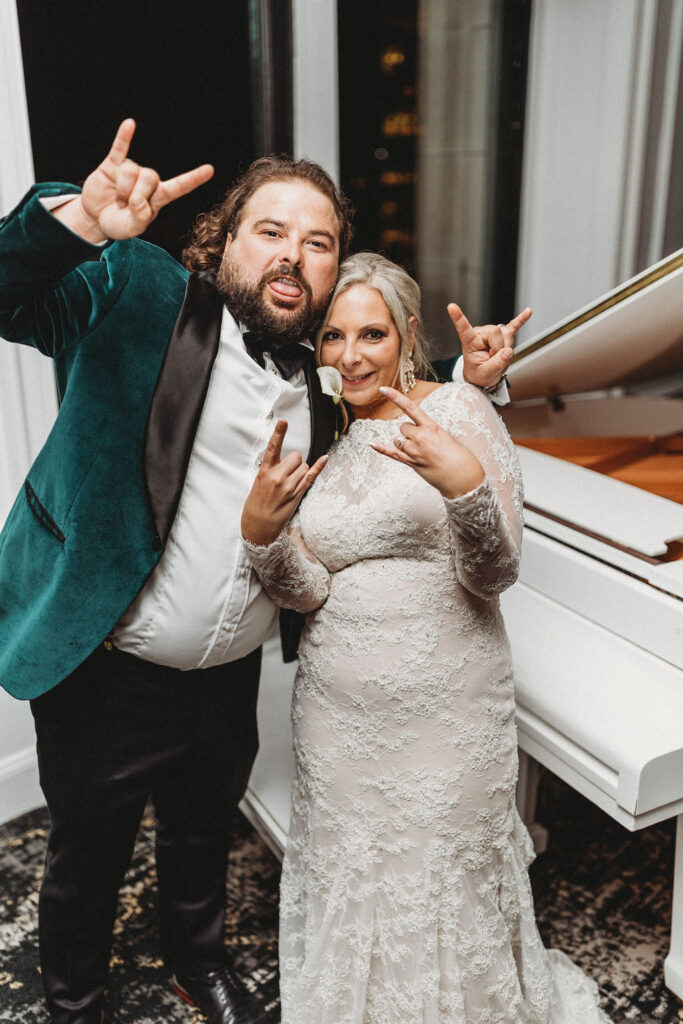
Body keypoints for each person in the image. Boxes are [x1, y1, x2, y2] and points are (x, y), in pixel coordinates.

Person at [0, 122, 512, 1024]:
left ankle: (198, 963)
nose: (293, 254)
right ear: (222, 240)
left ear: (334, 274)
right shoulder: (139, 289)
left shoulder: (331, 379)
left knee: (204, 837)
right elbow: (10, 293)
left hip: (227, 675)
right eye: (269, 229)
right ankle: (75, 999)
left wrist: (480, 386)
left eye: (318, 243)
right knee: (88, 853)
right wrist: (79, 218)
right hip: (108, 665)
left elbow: (409, 442)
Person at [241, 252, 612, 1024]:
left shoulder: (458, 411)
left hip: (446, 712)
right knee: (358, 875)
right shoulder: (330, 442)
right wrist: (264, 538)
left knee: (442, 880)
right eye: (333, 338)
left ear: (407, 335)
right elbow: (306, 591)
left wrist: (464, 488)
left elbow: (495, 574)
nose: (350, 355)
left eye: (370, 333)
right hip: (335, 718)